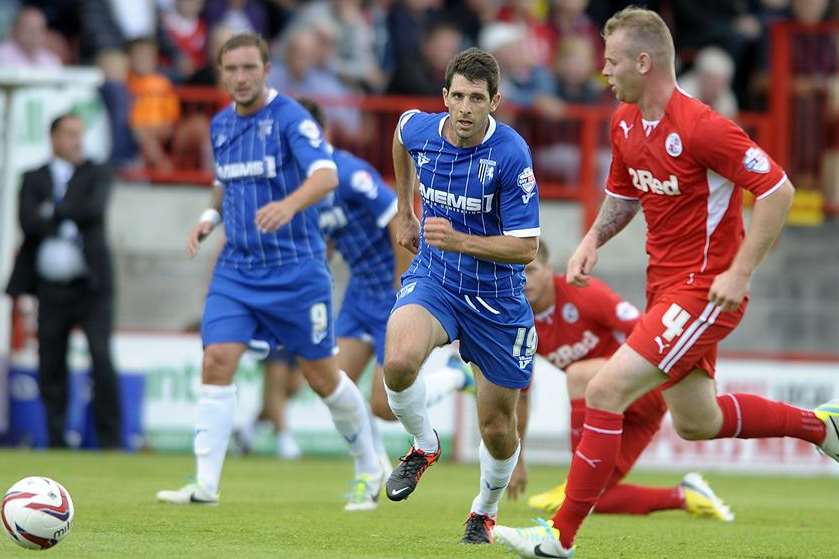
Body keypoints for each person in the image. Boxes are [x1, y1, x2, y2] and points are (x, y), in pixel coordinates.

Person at [494, 8, 839, 557]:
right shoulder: (624, 122)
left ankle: (558, 536)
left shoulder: (702, 126)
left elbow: (778, 191)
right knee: (698, 420)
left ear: (644, 61)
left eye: (611, 61)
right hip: (665, 288)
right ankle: (822, 429)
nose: (603, 72)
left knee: (604, 388)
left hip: (705, 288)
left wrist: (740, 270)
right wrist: (591, 241)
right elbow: (625, 194)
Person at [155, 33, 381, 510]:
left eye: (248, 68)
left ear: (266, 69)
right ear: (221, 73)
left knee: (323, 378)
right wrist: (208, 219)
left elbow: (326, 175)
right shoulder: (220, 126)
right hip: (238, 270)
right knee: (217, 359)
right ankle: (205, 485)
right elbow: (224, 188)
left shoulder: (290, 118)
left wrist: (289, 203)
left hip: (296, 270)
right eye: (231, 69)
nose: (240, 77)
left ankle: (368, 464)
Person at [383, 47, 541, 544]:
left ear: (495, 100)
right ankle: (424, 445)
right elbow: (399, 135)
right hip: (437, 279)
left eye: (477, 98)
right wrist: (405, 210)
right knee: (399, 360)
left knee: (497, 428)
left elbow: (527, 248)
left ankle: (484, 509)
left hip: (496, 300)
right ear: (445, 96)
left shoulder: (511, 155)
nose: (466, 107)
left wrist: (462, 240)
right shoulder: (422, 129)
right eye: (458, 96)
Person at [514, 240, 732, 521]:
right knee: (594, 495)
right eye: (516, 273)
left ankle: (573, 478)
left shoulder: (583, 292)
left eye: (530, 270)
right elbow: (520, 394)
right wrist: (516, 462)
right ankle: (685, 495)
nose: (523, 280)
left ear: (549, 269)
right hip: (618, 411)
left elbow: (646, 330)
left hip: (644, 390)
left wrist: (688, 375)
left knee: (580, 375)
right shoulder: (519, 321)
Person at [6, 113, 122, 449]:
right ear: (53, 138)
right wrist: (64, 212)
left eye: (80, 134)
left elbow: (92, 210)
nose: (76, 141)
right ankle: (56, 438)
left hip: (93, 286)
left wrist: (52, 210)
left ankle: (110, 440)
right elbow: (27, 221)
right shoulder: (33, 177)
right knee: (51, 361)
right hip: (50, 288)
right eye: (69, 134)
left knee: (101, 358)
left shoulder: (97, 172)